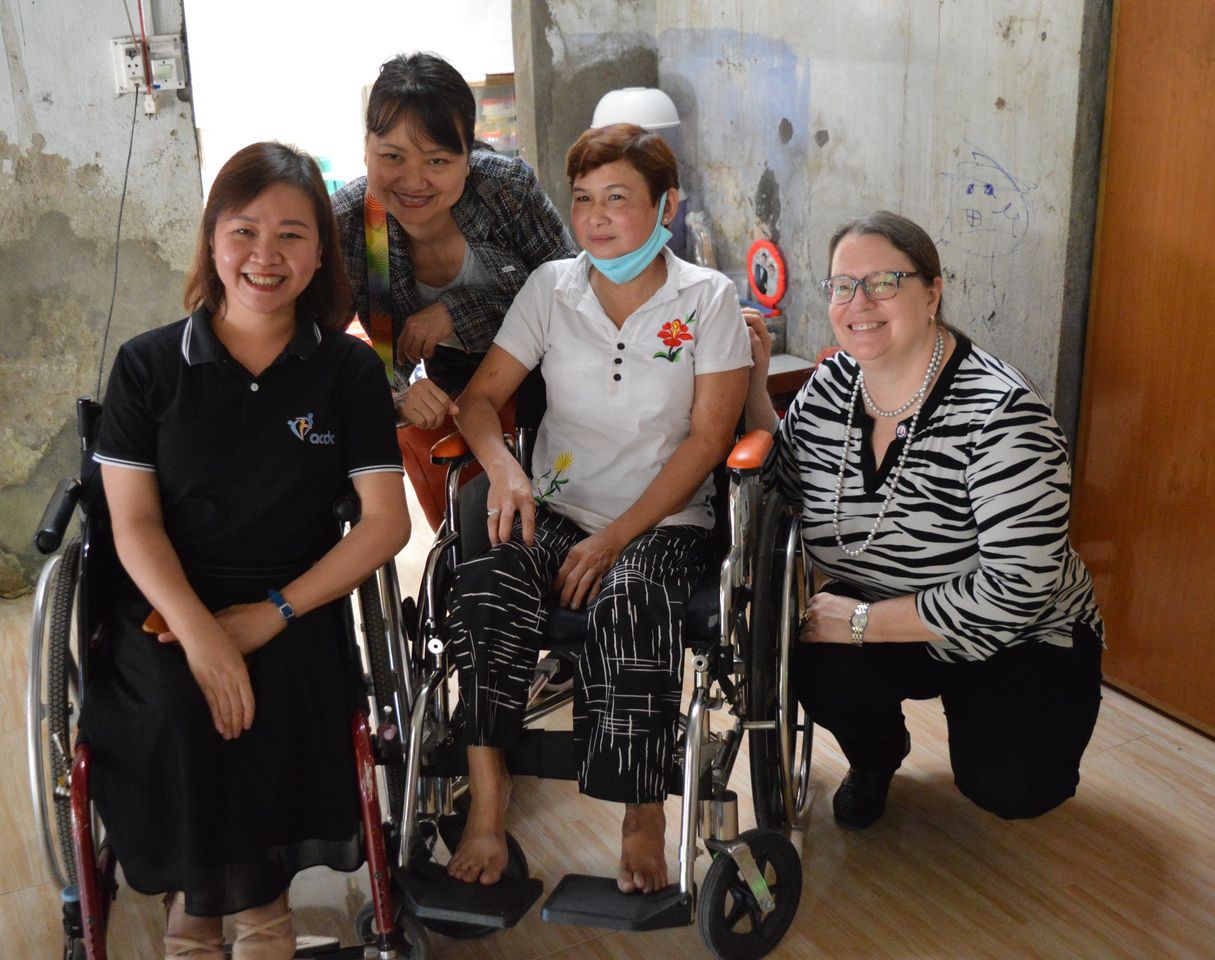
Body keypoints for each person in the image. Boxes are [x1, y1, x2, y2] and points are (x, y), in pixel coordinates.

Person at [80, 142, 411, 959]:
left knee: (283, 683)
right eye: (245, 230)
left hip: (293, 594)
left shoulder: (346, 370)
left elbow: (384, 524)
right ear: (213, 241)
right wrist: (200, 635)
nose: (266, 256)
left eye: (293, 235)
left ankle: (233, 912)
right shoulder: (150, 365)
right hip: (164, 598)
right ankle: (220, 908)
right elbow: (134, 524)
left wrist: (269, 617)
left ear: (321, 253)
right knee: (171, 696)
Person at [444, 123, 750, 893]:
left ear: (666, 206)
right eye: (582, 200)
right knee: (485, 583)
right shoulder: (552, 287)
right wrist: (506, 471)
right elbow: (478, 401)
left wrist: (616, 537)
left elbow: (709, 439)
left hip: (662, 520)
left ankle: (640, 813)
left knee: (632, 599)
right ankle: (488, 797)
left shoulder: (706, 298)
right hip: (555, 503)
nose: (595, 218)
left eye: (618, 199)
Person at [742, 210, 1103, 830]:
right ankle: (878, 758)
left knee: (1014, 787)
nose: (859, 302)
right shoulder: (832, 385)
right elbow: (783, 487)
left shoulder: (1003, 417)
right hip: (887, 609)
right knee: (810, 657)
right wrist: (754, 382)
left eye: (884, 282)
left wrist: (860, 621)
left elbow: (1018, 589)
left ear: (932, 292)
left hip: (1015, 636)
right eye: (842, 285)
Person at [332, 52, 577, 530]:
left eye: (438, 160)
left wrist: (457, 313)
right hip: (449, 392)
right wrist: (397, 395)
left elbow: (571, 296)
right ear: (365, 149)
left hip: (552, 379)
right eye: (392, 157)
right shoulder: (349, 226)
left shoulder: (505, 191)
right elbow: (316, 346)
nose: (414, 181)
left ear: (469, 156)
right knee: (470, 532)